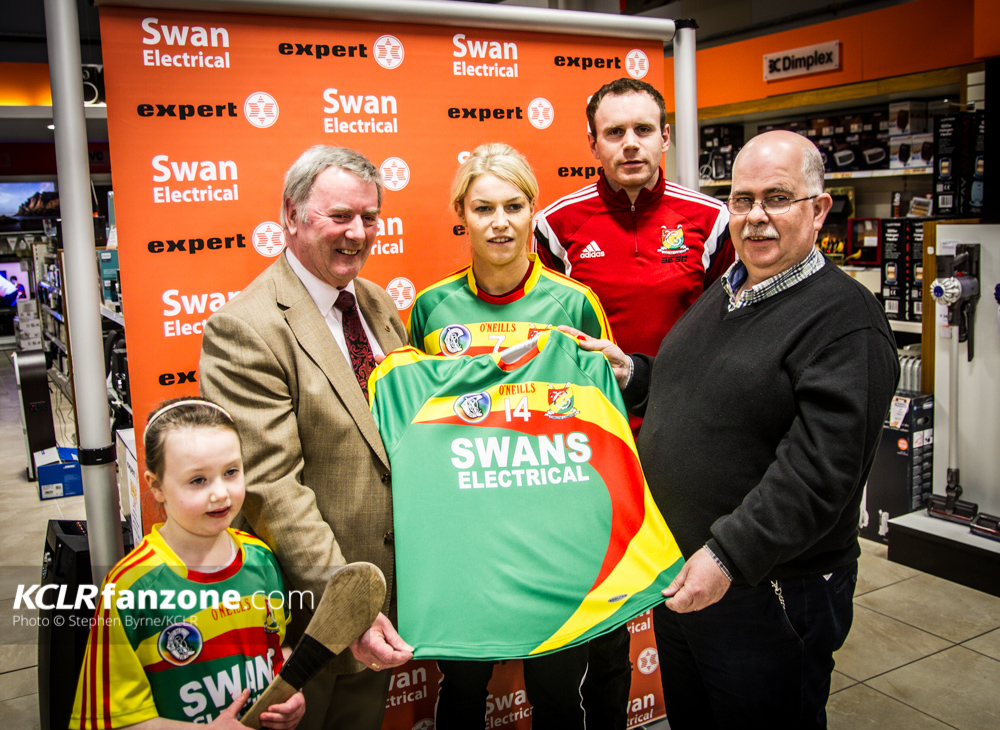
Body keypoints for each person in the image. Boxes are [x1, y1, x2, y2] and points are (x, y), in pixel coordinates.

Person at [571, 130, 900, 728]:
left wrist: (727, 556)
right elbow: (699, 393)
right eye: (742, 200)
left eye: (777, 197)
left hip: (765, 589)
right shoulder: (729, 290)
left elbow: (820, 472)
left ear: (819, 209)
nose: (756, 217)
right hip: (686, 576)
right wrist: (633, 374)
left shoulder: (844, 321)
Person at [532, 77, 735, 728]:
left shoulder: (710, 221)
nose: (630, 144)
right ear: (592, 142)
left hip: (683, 452)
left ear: (665, 137)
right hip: (587, 455)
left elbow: (733, 336)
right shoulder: (554, 227)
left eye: (643, 129)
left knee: (691, 608)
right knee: (593, 616)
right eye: (614, 132)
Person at [199, 146, 413, 730]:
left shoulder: (375, 303)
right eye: (339, 215)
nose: (358, 232)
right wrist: (349, 610)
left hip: (385, 601)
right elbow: (272, 489)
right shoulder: (247, 327)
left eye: (369, 218)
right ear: (290, 215)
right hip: (308, 623)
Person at [408, 143, 613, 729]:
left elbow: (603, 423)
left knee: (556, 692)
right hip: (466, 538)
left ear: (533, 212)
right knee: (464, 685)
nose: (499, 222)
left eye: (514, 206)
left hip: (556, 538)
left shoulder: (574, 303)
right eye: (482, 208)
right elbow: (421, 429)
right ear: (461, 215)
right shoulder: (430, 307)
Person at [70, 398, 306, 728]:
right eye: (198, 480)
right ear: (156, 486)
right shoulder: (130, 586)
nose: (221, 493)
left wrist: (289, 695)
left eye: (231, 472)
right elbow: (111, 720)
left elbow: (277, 648)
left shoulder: (261, 560)